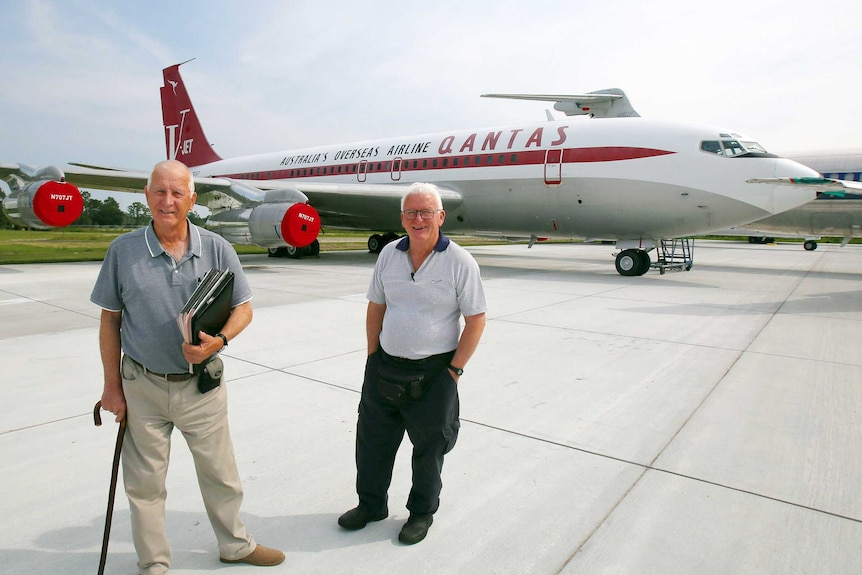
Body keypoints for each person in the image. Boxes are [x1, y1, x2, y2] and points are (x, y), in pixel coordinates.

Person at [91, 160, 284, 574]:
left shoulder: (217, 247)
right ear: (146, 196)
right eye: (160, 191)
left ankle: (235, 545)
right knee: (145, 485)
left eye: (178, 193)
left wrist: (221, 340)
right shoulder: (122, 251)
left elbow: (243, 307)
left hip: (202, 388)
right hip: (142, 384)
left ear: (193, 200)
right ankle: (154, 563)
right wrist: (112, 388)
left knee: (222, 475)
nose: (168, 201)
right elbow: (110, 321)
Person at [338, 182, 487, 544]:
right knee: (372, 443)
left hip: (435, 373)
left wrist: (454, 371)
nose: (418, 219)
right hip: (385, 367)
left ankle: (421, 513)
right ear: (402, 218)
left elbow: (476, 319)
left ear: (440, 217)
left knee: (429, 449)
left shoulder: (460, 262)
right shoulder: (389, 254)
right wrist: (373, 356)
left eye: (425, 212)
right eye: (411, 212)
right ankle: (371, 505)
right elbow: (377, 306)